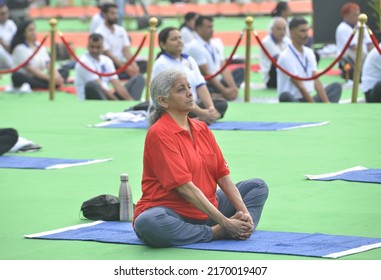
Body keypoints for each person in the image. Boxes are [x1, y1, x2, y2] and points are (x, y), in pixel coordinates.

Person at [133, 69, 269, 248]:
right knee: (148, 222)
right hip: (173, 212)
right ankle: (216, 232)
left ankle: (242, 226)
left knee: (257, 187)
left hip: (208, 209)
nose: (190, 93)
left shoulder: (202, 128)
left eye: (189, 87)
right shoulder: (159, 133)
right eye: (181, 89)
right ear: (163, 101)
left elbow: (223, 177)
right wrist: (225, 224)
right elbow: (186, 189)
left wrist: (245, 214)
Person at [152, 27, 226, 124]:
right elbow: (173, 96)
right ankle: (198, 120)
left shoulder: (189, 60)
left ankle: (200, 119)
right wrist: (201, 112)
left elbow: (201, 85)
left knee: (221, 104)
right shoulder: (162, 64)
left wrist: (210, 108)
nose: (179, 41)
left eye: (180, 38)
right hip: (173, 106)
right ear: (163, 44)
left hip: (190, 105)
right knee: (174, 109)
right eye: (174, 39)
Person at [277, 17, 342, 103]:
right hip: (294, 100)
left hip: (307, 99)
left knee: (336, 87)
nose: (307, 34)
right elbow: (300, 85)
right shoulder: (285, 56)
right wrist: (312, 106)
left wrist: (327, 103)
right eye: (302, 31)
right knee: (285, 96)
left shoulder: (309, 52)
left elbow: (316, 79)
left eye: (307, 31)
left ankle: (321, 109)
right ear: (292, 33)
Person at [185, 15, 244, 101]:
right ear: (198, 28)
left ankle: (220, 93)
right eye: (208, 27)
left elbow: (223, 68)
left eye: (212, 26)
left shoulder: (215, 43)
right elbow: (206, 73)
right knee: (200, 85)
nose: (211, 30)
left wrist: (233, 87)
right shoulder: (194, 46)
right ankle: (218, 94)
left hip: (217, 80)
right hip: (205, 82)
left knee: (240, 72)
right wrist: (224, 91)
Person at [74, 33, 144, 101]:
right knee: (93, 85)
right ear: (87, 46)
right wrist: (115, 102)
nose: (95, 50)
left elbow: (116, 83)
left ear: (103, 48)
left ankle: (133, 105)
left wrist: (129, 100)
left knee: (139, 79)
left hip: (107, 97)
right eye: (92, 47)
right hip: (93, 97)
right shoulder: (83, 62)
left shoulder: (106, 60)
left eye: (98, 47)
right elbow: (101, 87)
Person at [10, 20, 64, 90]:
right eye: (30, 30)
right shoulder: (19, 48)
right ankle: (50, 84)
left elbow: (48, 64)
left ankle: (51, 83)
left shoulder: (39, 45)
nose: (33, 32)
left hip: (40, 76)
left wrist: (57, 76)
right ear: (23, 33)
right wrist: (50, 78)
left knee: (64, 70)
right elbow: (31, 70)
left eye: (34, 30)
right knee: (17, 76)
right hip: (28, 76)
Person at [94, 2, 143, 80]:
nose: (116, 16)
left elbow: (126, 50)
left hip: (121, 62)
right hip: (110, 64)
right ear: (105, 14)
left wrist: (134, 65)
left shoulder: (121, 30)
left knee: (144, 64)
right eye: (112, 14)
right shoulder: (99, 32)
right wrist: (126, 69)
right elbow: (109, 55)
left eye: (116, 13)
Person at [335, 2, 373, 80]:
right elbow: (354, 47)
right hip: (349, 58)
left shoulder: (362, 25)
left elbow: (370, 44)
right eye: (355, 15)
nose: (357, 17)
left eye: (358, 14)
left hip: (364, 56)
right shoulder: (342, 28)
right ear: (346, 15)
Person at [259, 17, 290, 89]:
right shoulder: (266, 42)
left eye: (284, 29)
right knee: (278, 60)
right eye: (279, 29)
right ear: (272, 29)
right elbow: (281, 59)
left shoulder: (286, 40)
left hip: (286, 73)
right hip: (272, 77)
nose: (282, 32)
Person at [0, 2, 16, 70]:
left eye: (6, 13)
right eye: (2, 14)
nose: (5, 15)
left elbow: (17, 40)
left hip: (12, 52)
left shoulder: (11, 23)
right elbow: (3, 44)